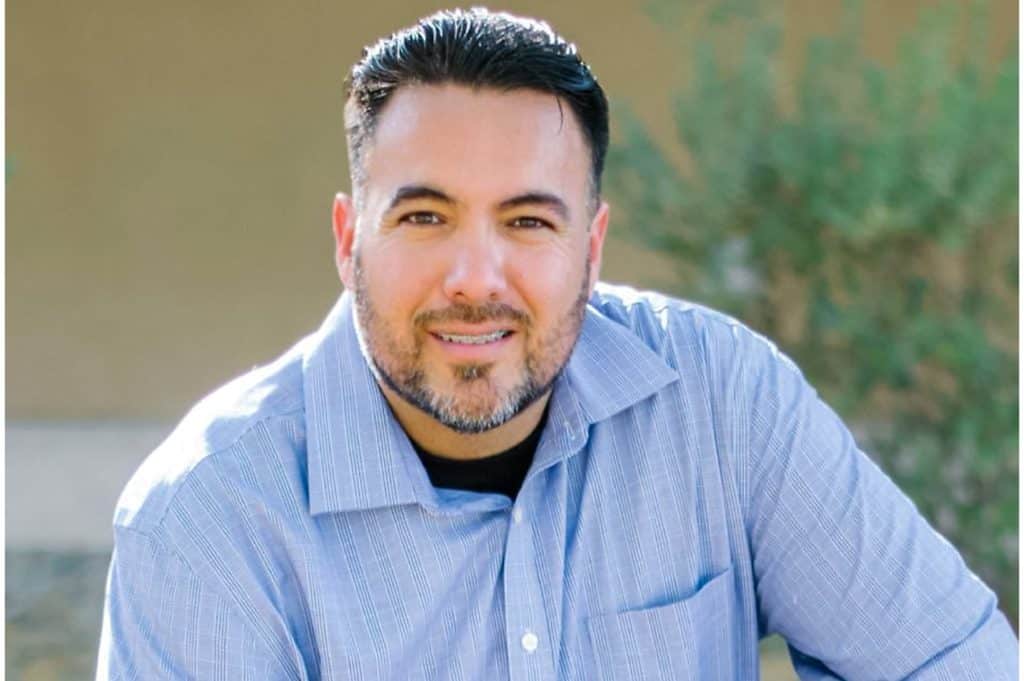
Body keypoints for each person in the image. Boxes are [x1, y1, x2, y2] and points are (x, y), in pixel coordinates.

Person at [96, 8, 1017, 680]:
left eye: (528, 221)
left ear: (592, 246)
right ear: (349, 240)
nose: (475, 278)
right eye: (425, 216)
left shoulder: (723, 404)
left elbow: (953, 658)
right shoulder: (206, 522)